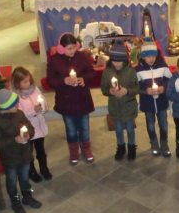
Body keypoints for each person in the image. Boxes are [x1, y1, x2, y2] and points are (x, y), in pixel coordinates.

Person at [0, 89, 42, 213]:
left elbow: (30, 128)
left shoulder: (19, 114)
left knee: (24, 178)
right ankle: (15, 201)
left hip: (25, 154)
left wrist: (28, 133)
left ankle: (27, 196)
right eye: (15, 104)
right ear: (6, 106)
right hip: (10, 158)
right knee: (12, 182)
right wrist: (15, 140)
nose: (18, 106)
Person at [46, 32, 96, 165]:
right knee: (71, 129)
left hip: (82, 99)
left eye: (74, 47)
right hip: (66, 101)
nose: (73, 51)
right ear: (61, 48)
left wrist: (83, 78)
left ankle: (86, 148)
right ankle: (73, 151)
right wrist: (64, 81)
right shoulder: (54, 60)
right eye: (69, 48)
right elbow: (51, 80)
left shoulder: (81, 56)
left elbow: (91, 72)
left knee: (85, 127)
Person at [12, 66, 52, 183]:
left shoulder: (35, 90)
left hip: (39, 127)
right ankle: (32, 171)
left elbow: (43, 102)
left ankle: (44, 169)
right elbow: (19, 115)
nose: (28, 83)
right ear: (17, 83)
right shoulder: (16, 97)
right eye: (25, 82)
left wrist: (43, 107)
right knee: (28, 152)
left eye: (29, 80)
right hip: (28, 129)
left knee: (41, 151)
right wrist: (33, 110)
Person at [101, 42, 139, 161]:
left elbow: (137, 88)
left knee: (130, 129)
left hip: (128, 105)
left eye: (119, 61)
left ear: (125, 60)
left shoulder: (131, 71)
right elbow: (103, 88)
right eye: (114, 61)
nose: (116, 63)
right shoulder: (107, 72)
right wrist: (110, 91)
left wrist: (126, 91)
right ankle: (121, 147)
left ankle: (132, 147)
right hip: (115, 107)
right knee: (118, 129)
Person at [136, 38, 173, 157]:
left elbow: (170, 80)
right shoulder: (139, 69)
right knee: (151, 125)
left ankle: (164, 143)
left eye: (153, 56)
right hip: (148, 103)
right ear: (142, 57)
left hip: (161, 102)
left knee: (163, 124)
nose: (151, 59)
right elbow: (136, 86)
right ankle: (154, 142)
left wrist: (164, 87)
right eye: (148, 56)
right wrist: (146, 90)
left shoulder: (162, 66)